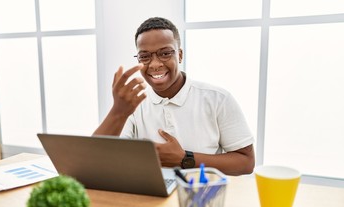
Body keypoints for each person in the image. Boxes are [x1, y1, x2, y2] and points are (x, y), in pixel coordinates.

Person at [93, 17, 255, 175]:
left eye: (165, 54)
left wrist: (185, 158)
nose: (155, 64)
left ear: (180, 55)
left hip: (202, 194)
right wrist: (117, 111)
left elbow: (246, 162)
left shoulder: (218, 98)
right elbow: (95, 158)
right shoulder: (133, 104)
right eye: (145, 56)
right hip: (152, 196)